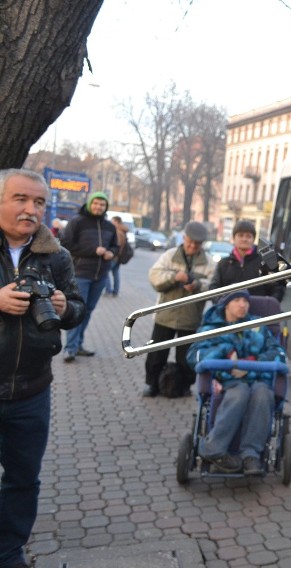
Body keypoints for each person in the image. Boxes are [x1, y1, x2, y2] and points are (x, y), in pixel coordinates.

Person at [0, 169, 84, 568]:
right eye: (20, 199)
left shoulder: (58, 256)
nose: (30, 209)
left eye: (38, 203)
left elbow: (76, 307)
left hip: (32, 390)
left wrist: (68, 309)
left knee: (22, 479)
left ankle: (9, 551)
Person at [186, 289, 287, 474]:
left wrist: (253, 362)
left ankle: (250, 456)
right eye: (237, 300)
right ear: (226, 304)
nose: (243, 305)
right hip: (228, 382)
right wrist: (225, 352)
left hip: (257, 379)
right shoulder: (211, 328)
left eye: (245, 301)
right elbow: (194, 356)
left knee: (263, 394)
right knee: (240, 393)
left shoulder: (258, 325)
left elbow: (278, 352)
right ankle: (213, 449)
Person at [143, 221, 215, 398]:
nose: (192, 246)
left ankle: (185, 386)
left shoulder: (209, 263)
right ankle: (152, 385)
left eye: (196, 244)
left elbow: (214, 286)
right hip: (165, 315)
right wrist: (174, 277)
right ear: (184, 238)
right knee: (156, 354)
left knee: (186, 357)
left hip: (190, 318)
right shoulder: (169, 255)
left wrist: (197, 284)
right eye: (189, 242)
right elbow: (154, 276)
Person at [60, 191, 118, 362]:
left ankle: (78, 345)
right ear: (90, 203)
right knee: (78, 310)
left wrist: (111, 253)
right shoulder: (77, 221)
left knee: (88, 311)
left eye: (102, 204)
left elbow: (116, 245)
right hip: (80, 273)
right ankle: (70, 348)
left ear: (105, 207)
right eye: (96, 203)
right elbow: (65, 244)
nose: (98, 207)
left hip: (101, 275)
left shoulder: (109, 226)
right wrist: (93, 251)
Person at [209, 220, 284, 301]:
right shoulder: (223, 264)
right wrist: (223, 304)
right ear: (234, 238)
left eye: (248, 236)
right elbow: (214, 289)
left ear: (253, 239)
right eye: (241, 235)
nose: (244, 239)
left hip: (259, 311)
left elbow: (277, 288)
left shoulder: (264, 262)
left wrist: (268, 305)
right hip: (229, 311)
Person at [105, 215, 130, 297]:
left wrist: (112, 253)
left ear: (117, 222)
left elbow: (117, 245)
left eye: (113, 221)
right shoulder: (122, 231)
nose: (111, 222)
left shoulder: (118, 232)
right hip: (118, 257)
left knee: (105, 273)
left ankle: (108, 290)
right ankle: (115, 291)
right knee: (116, 274)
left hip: (114, 257)